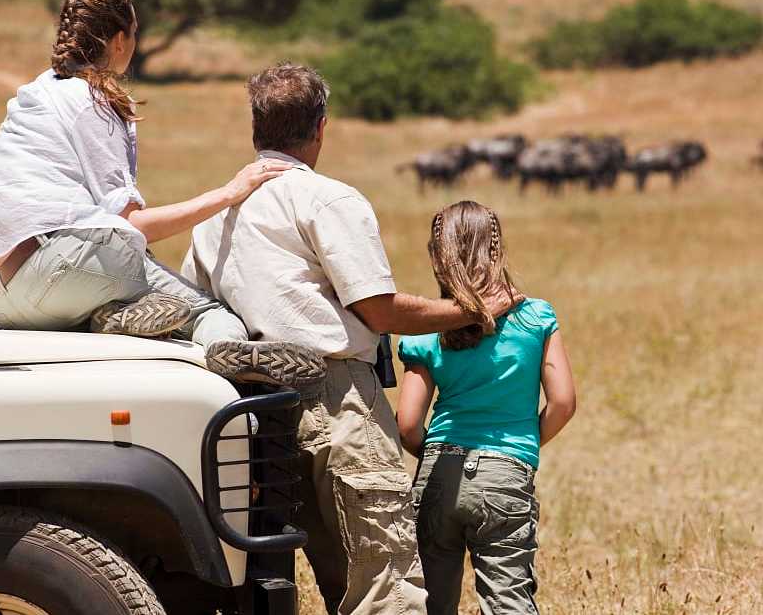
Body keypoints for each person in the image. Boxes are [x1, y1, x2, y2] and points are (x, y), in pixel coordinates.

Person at [182, 63, 519, 615]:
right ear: (320, 127)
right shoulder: (327, 200)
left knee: (299, 570)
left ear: (256, 128)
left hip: (248, 406)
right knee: (383, 574)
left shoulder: (213, 216)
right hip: (336, 397)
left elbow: (200, 309)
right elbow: (378, 310)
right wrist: (471, 310)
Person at [0, 0, 323, 386]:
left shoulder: (37, 93)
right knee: (200, 305)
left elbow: (5, 203)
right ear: (119, 40)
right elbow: (131, 225)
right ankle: (227, 349)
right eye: (134, 34)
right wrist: (228, 193)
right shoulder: (94, 104)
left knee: (122, 256)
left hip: (5, 299)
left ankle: (108, 315)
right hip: (62, 276)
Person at [396, 200, 577, 615]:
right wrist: (520, 446)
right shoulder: (536, 318)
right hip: (507, 470)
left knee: (431, 601)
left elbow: (408, 425)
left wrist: (438, 452)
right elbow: (563, 402)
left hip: (439, 468)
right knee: (508, 600)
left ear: (439, 257)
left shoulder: (428, 332)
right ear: (496, 250)